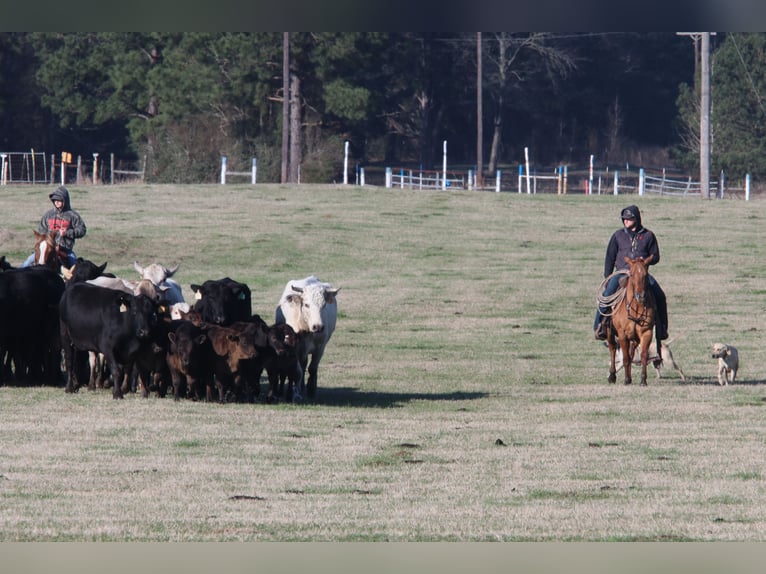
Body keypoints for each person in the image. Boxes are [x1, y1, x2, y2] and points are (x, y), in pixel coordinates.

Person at [594, 205, 668, 341]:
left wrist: (645, 262)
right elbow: (610, 257)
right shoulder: (618, 235)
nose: (626, 221)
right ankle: (599, 326)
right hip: (622, 272)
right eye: (624, 219)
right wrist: (608, 277)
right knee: (606, 295)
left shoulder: (648, 235)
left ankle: (662, 328)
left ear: (637, 218)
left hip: (641, 274)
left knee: (660, 295)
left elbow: (656, 256)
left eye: (629, 218)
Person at [21, 185, 86, 269]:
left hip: (65, 250)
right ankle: (17, 275)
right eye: (55, 200)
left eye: (59, 200)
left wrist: (67, 233)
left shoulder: (73, 216)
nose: (56, 202)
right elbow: (42, 231)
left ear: (65, 200)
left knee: (74, 265)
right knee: (28, 261)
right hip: (47, 249)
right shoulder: (48, 215)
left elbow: (82, 230)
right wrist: (50, 243)